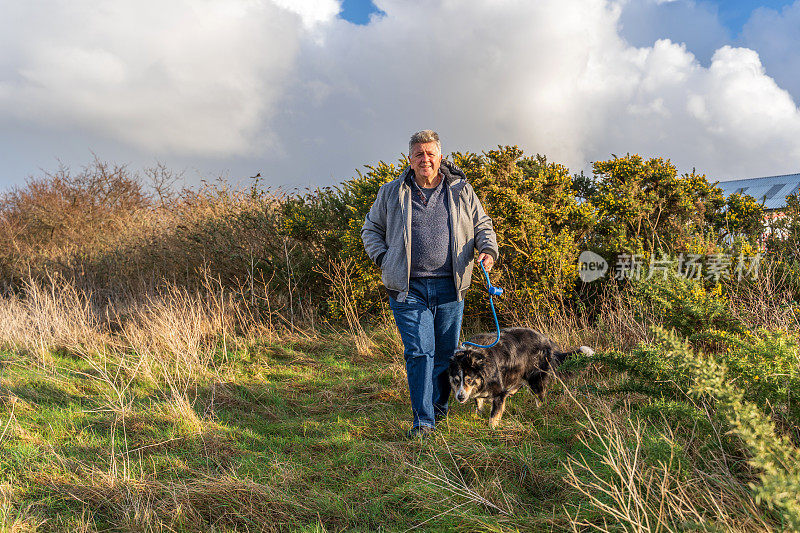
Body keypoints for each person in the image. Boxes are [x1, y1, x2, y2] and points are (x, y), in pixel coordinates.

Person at [361, 130, 499, 438]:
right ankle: (423, 421)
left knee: (445, 355)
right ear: (410, 159)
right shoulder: (391, 192)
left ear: (440, 157)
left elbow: (482, 224)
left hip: (451, 287)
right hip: (408, 289)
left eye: (430, 154)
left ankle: (438, 408)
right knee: (420, 352)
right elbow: (370, 229)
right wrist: (385, 259)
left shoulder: (461, 189)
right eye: (419, 154)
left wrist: (487, 249)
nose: (425, 159)